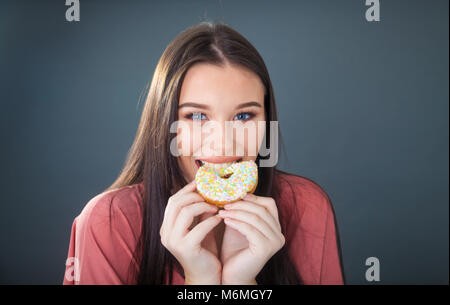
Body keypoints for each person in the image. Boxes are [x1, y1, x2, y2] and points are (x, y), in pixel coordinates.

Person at [62, 21, 345, 285]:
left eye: (244, 115)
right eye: (197, 116)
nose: (223, 144)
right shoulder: (108, 223)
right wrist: (200, 280)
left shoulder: (307, 207)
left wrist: (240, 282)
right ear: (165, 123)